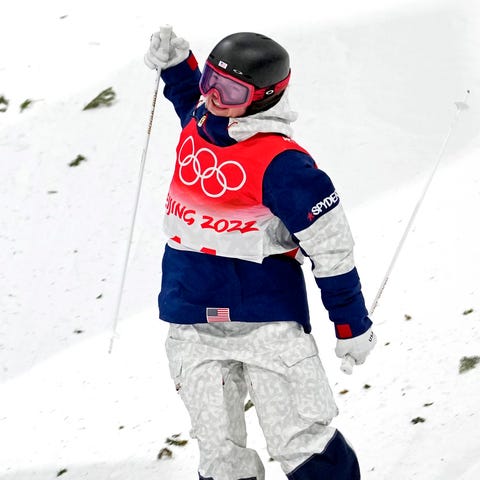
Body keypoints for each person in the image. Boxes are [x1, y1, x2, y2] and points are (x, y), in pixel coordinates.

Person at [144, 25, 376, 480]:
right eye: (211, 80)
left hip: (266, 323)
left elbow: (332, 251)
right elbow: (190, 97)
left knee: (300, 440)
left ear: (266, 96)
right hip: (192, 319)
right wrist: (177, 64)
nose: (213, 96)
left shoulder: (284, 165)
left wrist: (351, 324)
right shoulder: (201, 119)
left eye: (230, 90)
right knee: (219, 454)